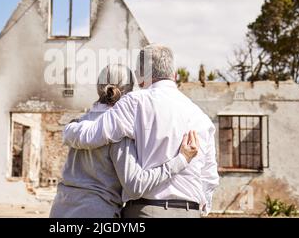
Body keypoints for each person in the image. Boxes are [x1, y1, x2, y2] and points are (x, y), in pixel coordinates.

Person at [63, 45, 219, 218]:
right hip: (191, 212)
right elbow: (210, 178)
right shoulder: (202, 117)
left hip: (147, 210)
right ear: (174, 75)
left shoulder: (134, 103)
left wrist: (70, 128)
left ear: (141, 76)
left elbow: (89, 136)